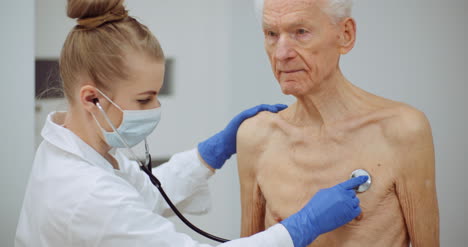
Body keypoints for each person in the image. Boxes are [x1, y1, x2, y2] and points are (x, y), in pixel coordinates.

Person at [15, 1, 368, 246]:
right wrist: (302, 227)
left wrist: (209, 154)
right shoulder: (83, 193)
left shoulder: (81, 151)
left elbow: (142, 195)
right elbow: (116, 208)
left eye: (155, 94)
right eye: (143, 99)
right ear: (92, 99)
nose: (154, 108)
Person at [237, 0, 439, 246]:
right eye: (271, 34)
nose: (282, 54)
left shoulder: (402, 130)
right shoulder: (255, 138)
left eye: (300, 32)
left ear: (345, 35)